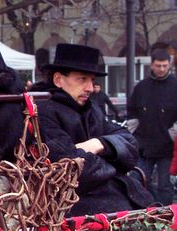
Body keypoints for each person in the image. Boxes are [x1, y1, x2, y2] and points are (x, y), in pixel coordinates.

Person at [36, 43, 153, 217]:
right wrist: (114, 161)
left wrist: (98, 144)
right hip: (81, 210)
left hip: (120, 199)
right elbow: (71, 169)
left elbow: (131, 144)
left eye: (92, 80)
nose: (90, 88)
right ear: (58, 79)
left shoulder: (92, 109)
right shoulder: (44, 113)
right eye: (82, 79)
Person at [126, 48, 177, 206]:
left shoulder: (175, 85)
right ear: (152, 65)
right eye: (158, 65)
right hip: (144, 146)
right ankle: (149, 210)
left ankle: (166, 218)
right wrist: (133, 134)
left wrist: (173, 133)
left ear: (169, 65)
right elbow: (132, 110)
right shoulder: (142, 87)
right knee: (137, 180)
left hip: (167, 147)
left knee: (165, 185)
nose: (161, 69)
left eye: (164, 65)